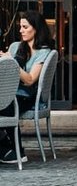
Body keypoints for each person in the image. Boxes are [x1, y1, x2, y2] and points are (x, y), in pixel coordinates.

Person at [0, 11, 54, 164]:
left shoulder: (44, 52)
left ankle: (14, 150)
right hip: (11, 94)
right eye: (20, 27)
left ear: (36, 28)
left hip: (27, 96)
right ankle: (10, 149)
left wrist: (11, 63)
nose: (20, 30)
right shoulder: (19, 48)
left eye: (25, 27)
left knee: (5, 105)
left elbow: (30, 80)